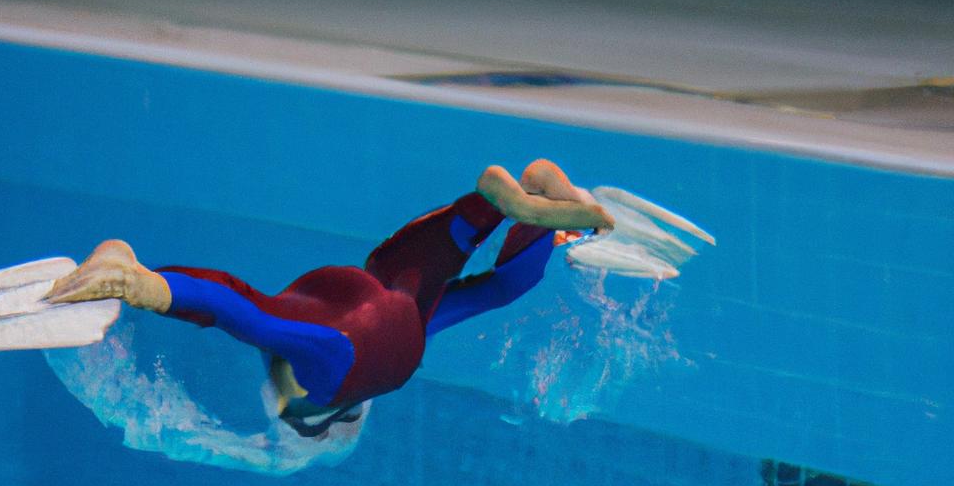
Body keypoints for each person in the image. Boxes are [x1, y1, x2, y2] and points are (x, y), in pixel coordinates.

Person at [47, 160, 613, 437]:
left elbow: (496, 293)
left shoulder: (395, 358)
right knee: (262, 314)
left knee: (487, 289)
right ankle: (506, 203)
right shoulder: (323, 375)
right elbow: (239, 311)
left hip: (392, 314)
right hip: (365, 313)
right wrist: (148, 286)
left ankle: (528, 204)